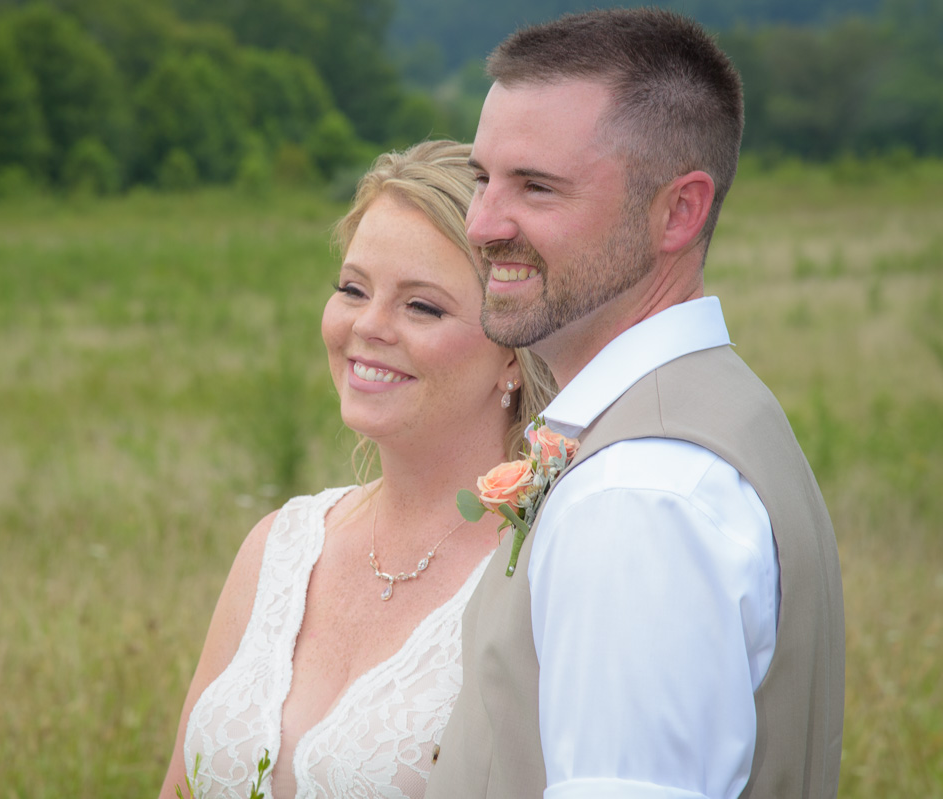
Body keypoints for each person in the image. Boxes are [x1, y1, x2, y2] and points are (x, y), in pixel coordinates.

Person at [425, 9, 845, 799]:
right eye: (483, 177)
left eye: (536, 186)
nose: (481, 225)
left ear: (679, 212)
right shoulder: (717, 413)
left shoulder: (641, 494)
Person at [156, 140, 555, 799]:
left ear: (513, 352)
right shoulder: (279, 547)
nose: (368, 325)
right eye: (352, 288)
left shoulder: (538, 572)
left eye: (421, 305)